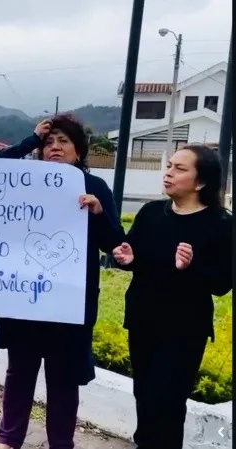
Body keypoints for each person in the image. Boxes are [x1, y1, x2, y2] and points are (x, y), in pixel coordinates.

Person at [0, 115, 126, 449]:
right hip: (24, 297)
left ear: (79, 150)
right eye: (49, 142)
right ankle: (9, 440)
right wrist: (29, 140)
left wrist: (98, 214)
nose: (55, 148)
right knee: (19, 373)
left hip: (69, 302)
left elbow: (116, 243)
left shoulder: (95, 188)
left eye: (63, 141)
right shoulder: (24, 181)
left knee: (64, 379)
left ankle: (61, 443)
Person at [112, 145, 232, 449]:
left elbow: (222, 283)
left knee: (166, 401)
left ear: (201, 181)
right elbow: (134, 254)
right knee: (144, 397)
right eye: (169, 166)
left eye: (180, 169)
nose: (168, 173)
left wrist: (190, 267)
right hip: (142, 319)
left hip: (184, 329)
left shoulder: (221, 223)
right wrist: (125, 257)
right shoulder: (152, 213)